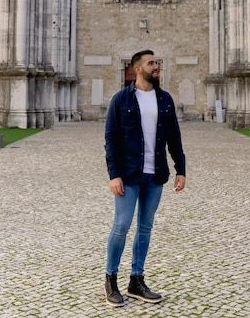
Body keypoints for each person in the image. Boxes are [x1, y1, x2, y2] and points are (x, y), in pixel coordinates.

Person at [104, 49, 186, 307]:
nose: (156, 67)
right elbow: (111, 140)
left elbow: (174, 136)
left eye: (157, 63)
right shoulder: (121, 100)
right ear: (137, 68)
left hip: (155, 173)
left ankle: (136, 280)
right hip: (128, 174)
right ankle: (111, 279)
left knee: (146, 227)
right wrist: (113, 175)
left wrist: (180, 169)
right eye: (151, 63)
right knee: (121, 225)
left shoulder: (165, 99)